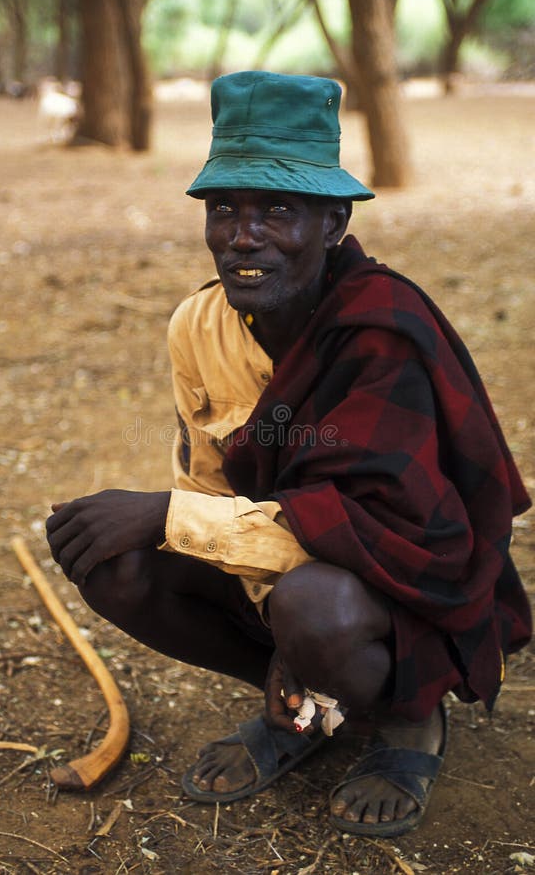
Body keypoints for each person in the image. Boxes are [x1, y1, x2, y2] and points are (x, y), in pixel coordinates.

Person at [46, 71, 532, 837]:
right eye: (223, 209)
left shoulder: (382, 329)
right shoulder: (198, 326)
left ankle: (409, 716)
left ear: (334, 221)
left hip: (400, 584)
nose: (244, 236)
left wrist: (171, 517)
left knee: (315, 606)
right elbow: (209, 481)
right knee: (112, 561)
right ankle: (308, 701)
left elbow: (389, 532)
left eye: (278, 209)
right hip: (295, 574)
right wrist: (265, 615)